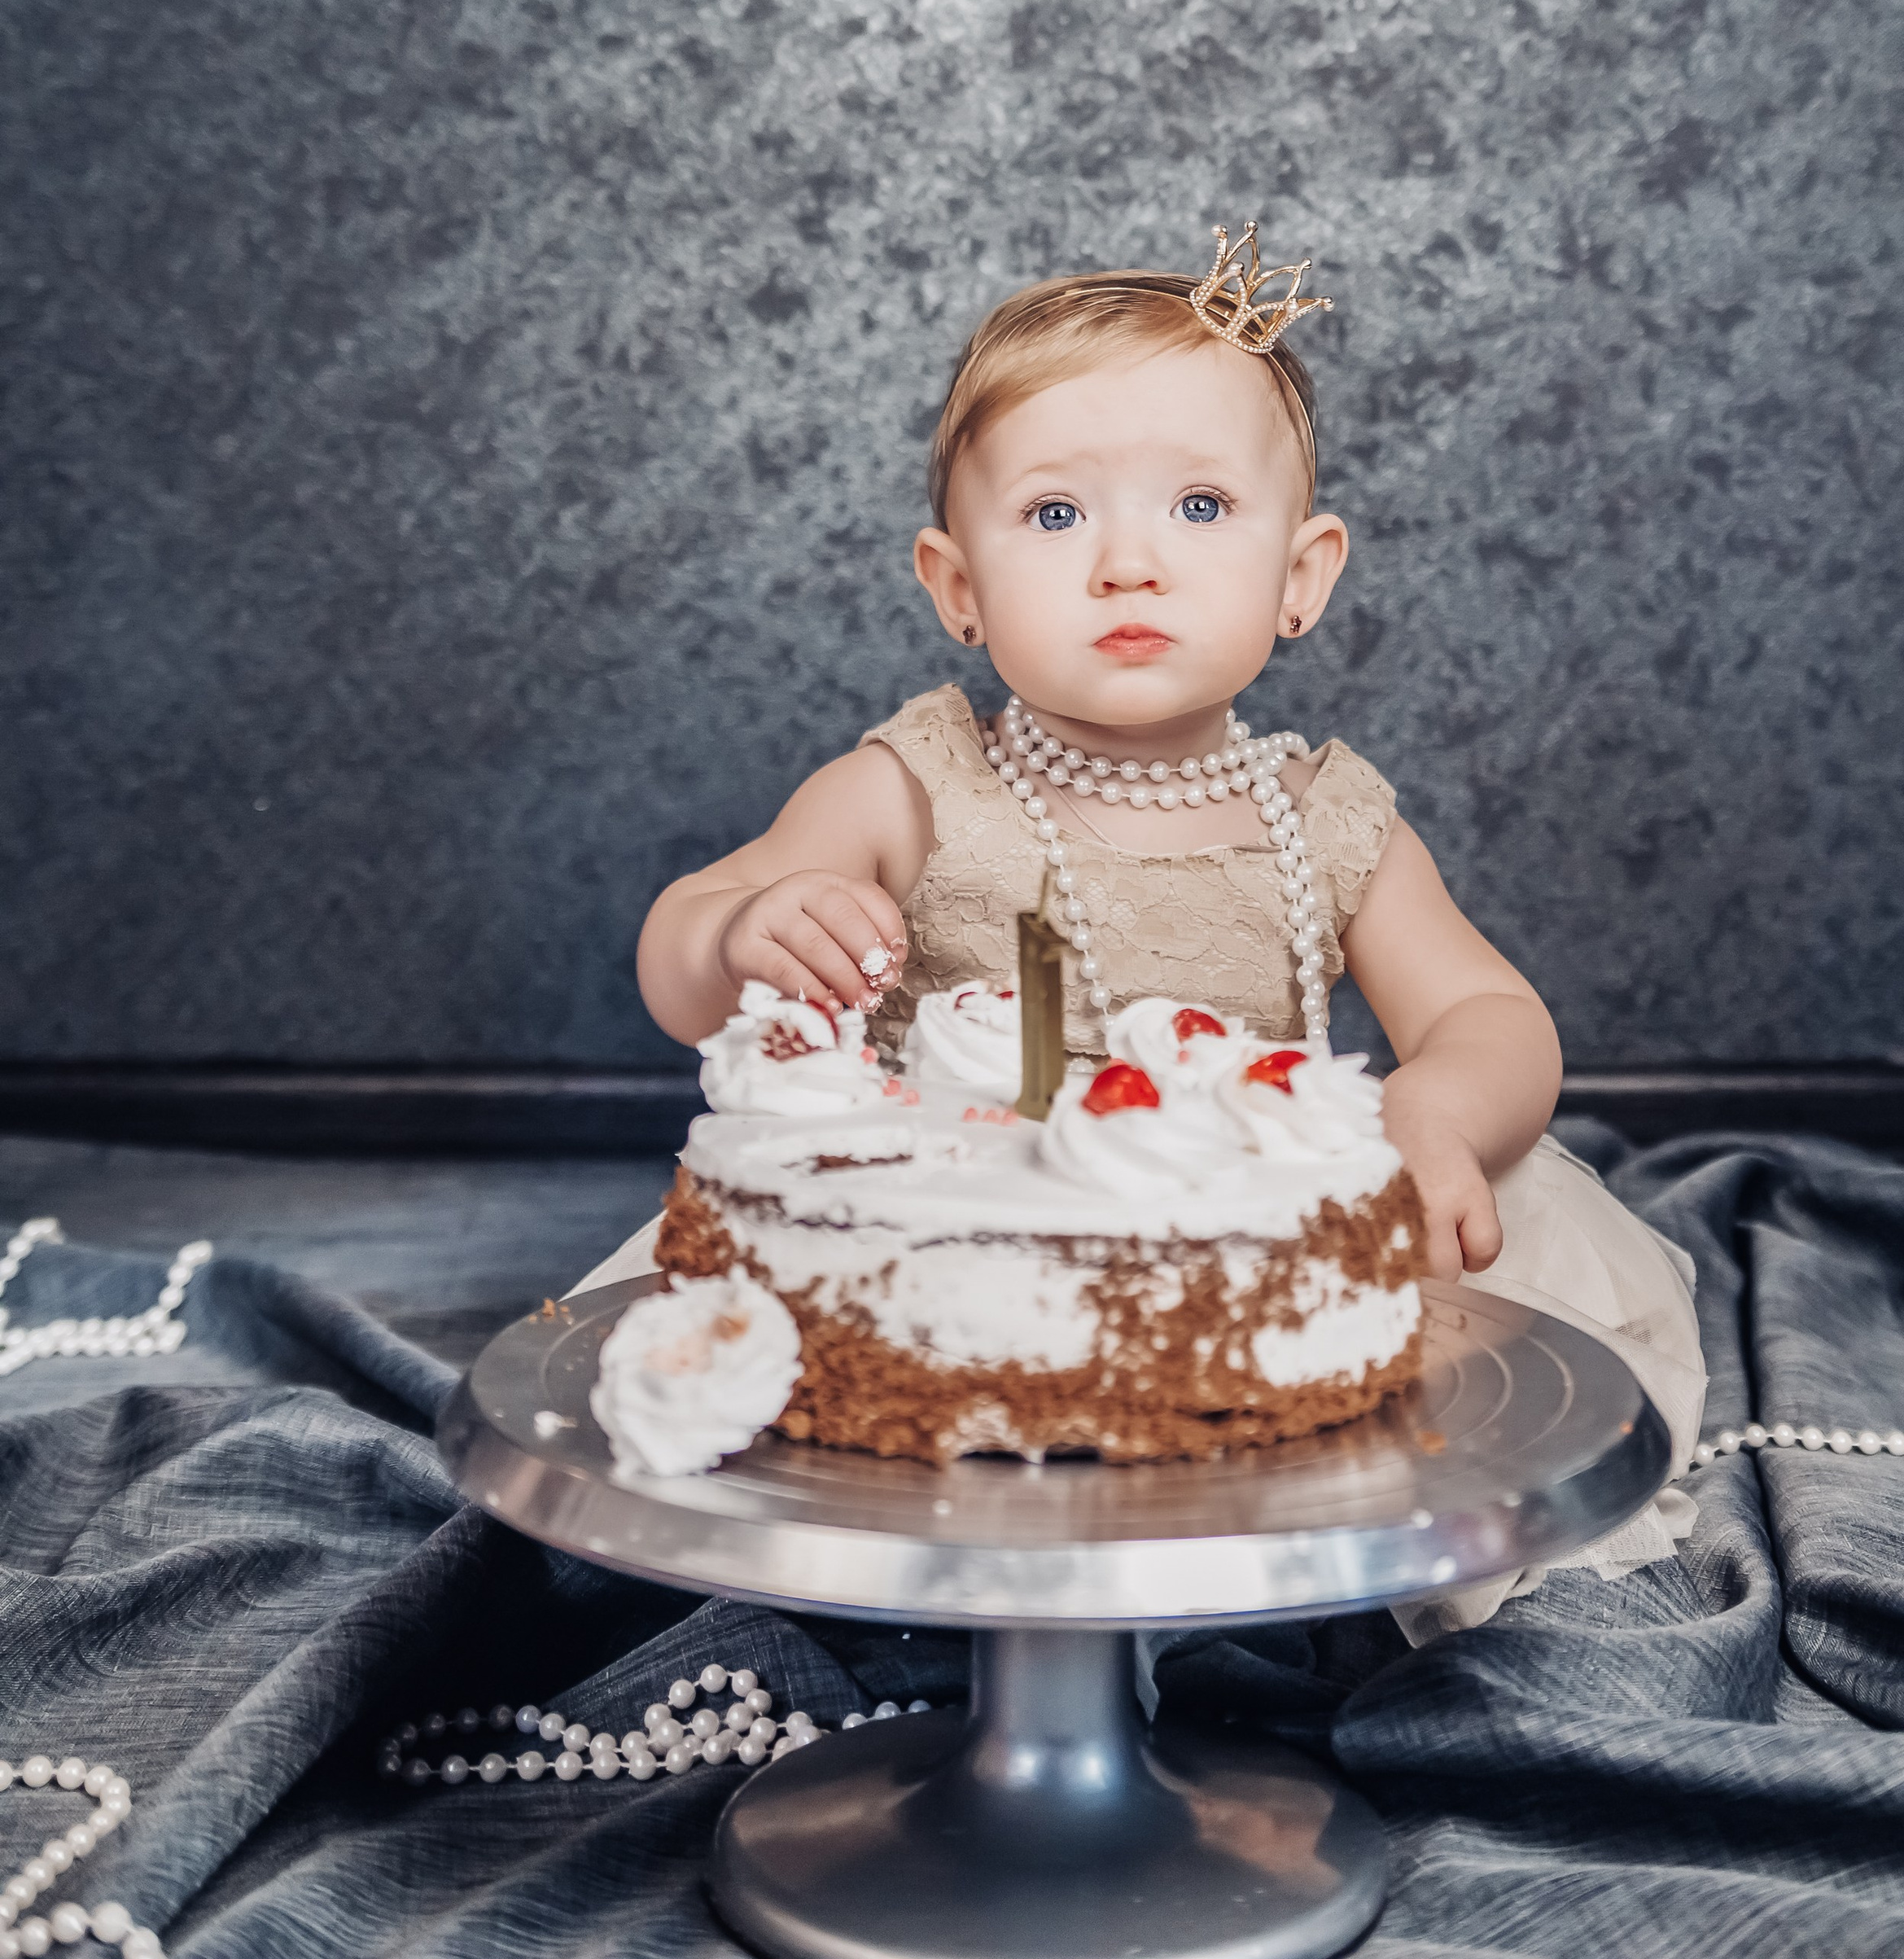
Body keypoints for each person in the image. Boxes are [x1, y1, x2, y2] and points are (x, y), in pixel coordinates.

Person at [637, 228, 1705, 1628]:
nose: (1129, 565)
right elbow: (682, 940)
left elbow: (1491, 1018)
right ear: (956, 586)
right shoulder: (912, 789)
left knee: (1455, 1387)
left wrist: (1435, 1110)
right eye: (1058, 516)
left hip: (1250, 1281)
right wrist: (745, 933)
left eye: (1199, 508)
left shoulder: (1326, 821)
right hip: (956, 1271)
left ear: (1302, 575)